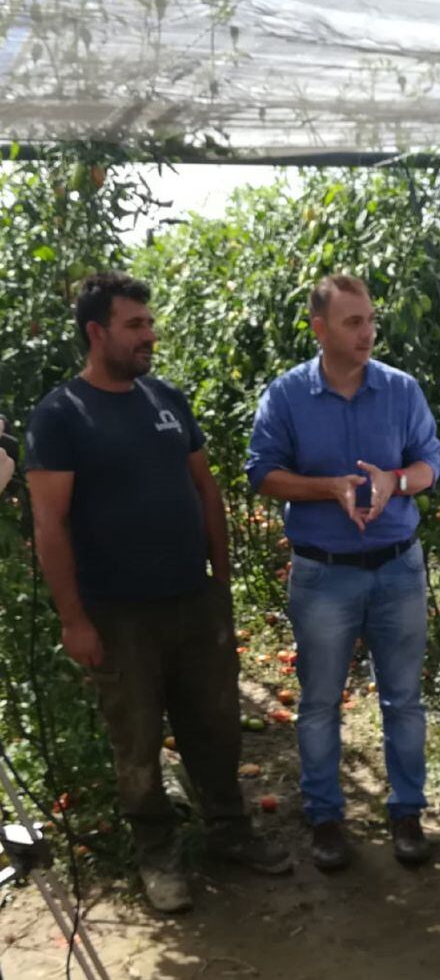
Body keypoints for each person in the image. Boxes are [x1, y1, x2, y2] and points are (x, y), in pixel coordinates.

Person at [26, 272, 292, 914]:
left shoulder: (166, 398)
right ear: (97, 333)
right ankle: (159, 855)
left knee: (217, 725)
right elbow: (50, 525)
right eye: (135, 325)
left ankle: (229, 833)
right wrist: (73, 620)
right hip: (118, 615)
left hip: (192, 602)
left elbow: (205, 490)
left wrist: (221, 585)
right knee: (137, 742)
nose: (150, 334)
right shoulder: (62, 415)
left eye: (149, 322)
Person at [246, 274, 440, 871]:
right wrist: (325, 488)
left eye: (371, 320)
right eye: (353, 322)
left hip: (397, 567)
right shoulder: (286, 396)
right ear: (319, 328)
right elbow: (263, 473)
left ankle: (407, 811)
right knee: (320, 702)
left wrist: (396, 481)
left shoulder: (401, 390)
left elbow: (430, 461)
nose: (367, 332)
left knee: (404, 700)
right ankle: (325, 818)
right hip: (324, 573)